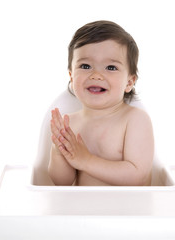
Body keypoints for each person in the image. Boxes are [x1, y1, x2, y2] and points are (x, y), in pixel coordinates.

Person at [48, 20, 154, 186]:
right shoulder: (70, 123)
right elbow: (62, 182)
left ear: (129, 82)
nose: (96, 75)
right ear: (71, 76)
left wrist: (86, 161)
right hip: (84, 210)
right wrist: (60, 151)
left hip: (129, 209)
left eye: (110, 67)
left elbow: (137, 176)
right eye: (85, 65)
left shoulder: (134, 119)